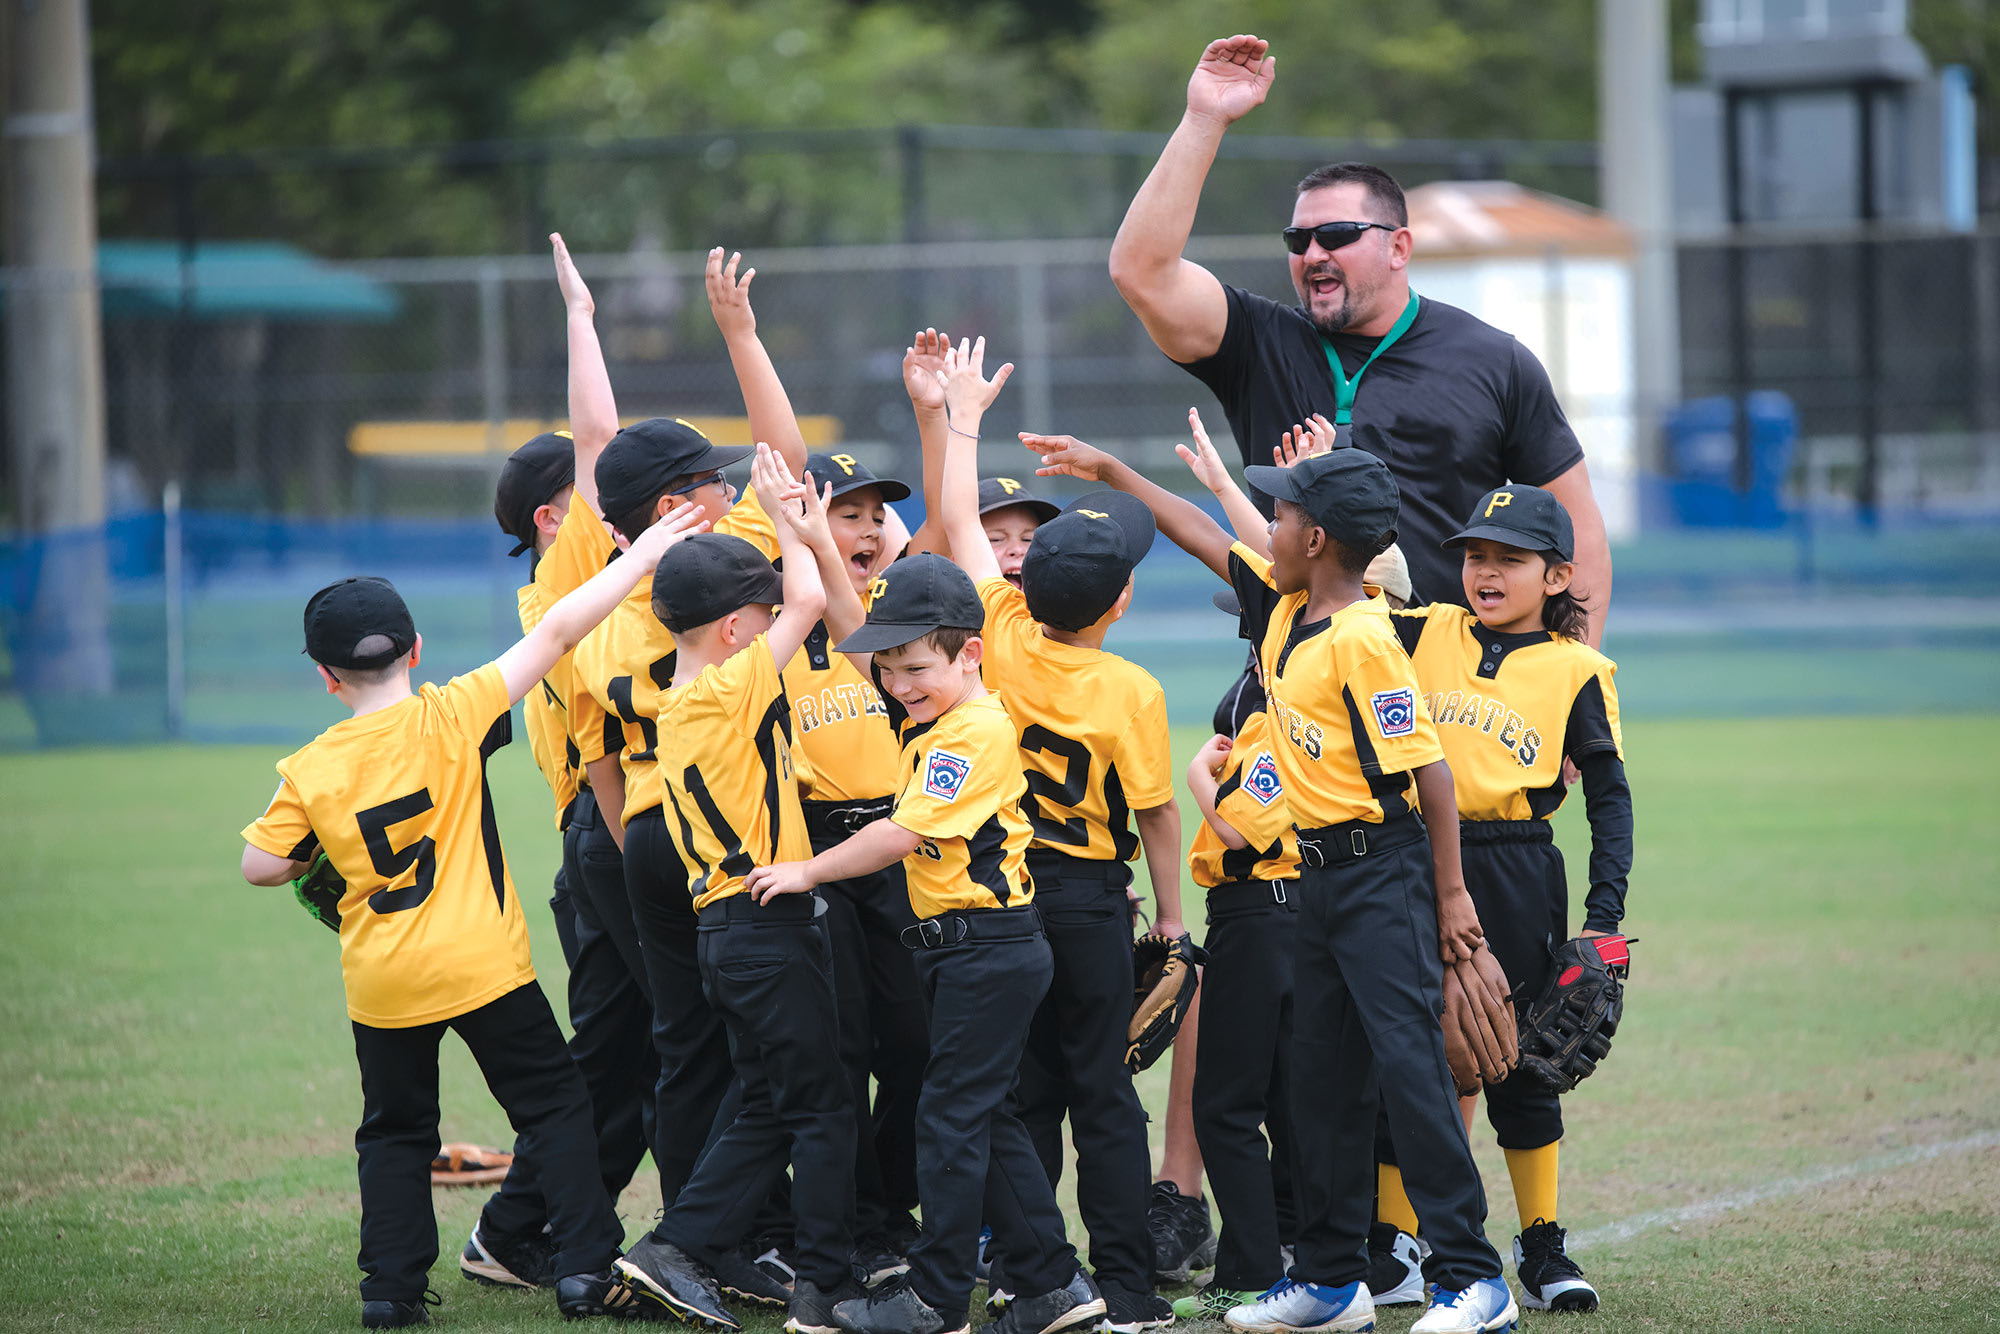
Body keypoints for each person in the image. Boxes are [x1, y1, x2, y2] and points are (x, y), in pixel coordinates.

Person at [1021, 430, 1518, 1334]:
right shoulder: (1287, 609)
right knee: (1321, 1081)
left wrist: (1451, 899)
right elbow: (1194, 530)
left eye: (1282, 512)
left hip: (1382, 873)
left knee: (1409, 1071)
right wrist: (1113, 472)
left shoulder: (1364, 637)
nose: (1267, 525)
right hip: (1318, 885)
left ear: (1318, 539)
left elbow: (1430, 773)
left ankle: (1473, 1284)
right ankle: (1331, 1282)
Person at [236, 503, 705, 1329]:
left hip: (382, 981)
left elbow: (261, 866)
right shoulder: (454, 713)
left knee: (395, 1132)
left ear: (325, 676)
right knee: (555, 1108)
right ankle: (586, 1273)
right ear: (415, 651)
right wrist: (641, 559)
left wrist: (319, 857)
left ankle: (389, 1291)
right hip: (483, 963)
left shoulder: (307, 767)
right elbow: (557, 634)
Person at [1108, 34, 1610, 640]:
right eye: (1299, 241)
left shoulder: (1492, 359)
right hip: (1299, 686)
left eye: (1338, 234)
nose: (1314, 253)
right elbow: (1141, 272)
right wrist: (1203, 118)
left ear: (1399, 246)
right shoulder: (1258, 343)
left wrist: (1568, 681)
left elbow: (1575, 529)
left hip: (1448, 692)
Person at [744, 553, 1103, 1334]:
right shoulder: (933, 721)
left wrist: (807, 870)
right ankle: (1052, 1286)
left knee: (948, 1119)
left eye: (915, 668)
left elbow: (901, 833)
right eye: (888, 670)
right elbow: (852, 635)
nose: (899, 684)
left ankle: (936, 1300)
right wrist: (808, 536)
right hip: (965, 948)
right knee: (987, 1116)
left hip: (986, 949)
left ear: (968, 653)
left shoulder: (967, 732)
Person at [566, 251, 809, 1306]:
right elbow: (786, 457)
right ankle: (718, 1237)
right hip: (721, 844)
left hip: (639, 839)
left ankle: (709, 1234)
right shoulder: (710, 578)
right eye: (710, 482)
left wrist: (630, 855)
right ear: (678, 502)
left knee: (683, 1045)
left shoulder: (594, 611)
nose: (729, 487)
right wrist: (742, 336)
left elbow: (600, 763)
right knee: (750, 1046)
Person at [928, 339, 1179, 1334]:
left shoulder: (994, 628)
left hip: (1004, 892)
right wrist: (1165, 911)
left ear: (1024, 583)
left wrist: (961, 416)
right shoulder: (1130, 688)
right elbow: (1157, 811)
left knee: (1021, 1088)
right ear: (1118, 601)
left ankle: (1033, 1273)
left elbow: (954, 516)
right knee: (1103, 1093)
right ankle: (1125, 1287)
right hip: (1083, 895)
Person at [614, 446, 862, 1334]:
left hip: (727, 932)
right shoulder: (728, 688)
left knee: (767, 1100)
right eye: (754, 618)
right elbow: (806, 603)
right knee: (824, 1106)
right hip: (768, 923)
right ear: (728, 630)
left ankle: (673, 1247)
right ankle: (824, 1290)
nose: (772, 630)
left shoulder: (677, 701)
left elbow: (784, 608)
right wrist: (795, 524)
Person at [459, 236, 657, 1293]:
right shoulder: (579, 562)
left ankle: (515, 1231)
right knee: (675, 1037)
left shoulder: (576, 586)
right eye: (591, 493)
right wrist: (582, 315)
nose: (616, 494)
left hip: (594, 843)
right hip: (612, 828)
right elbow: (599, 436)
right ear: (555, 516)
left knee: (619, 1057)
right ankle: (703, 1236)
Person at [1382, 484, 1632, 1314]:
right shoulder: (1428, 629)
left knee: (1521, 1058)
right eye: (1475, 555)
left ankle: (1542, 1243)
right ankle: (1396, 1243)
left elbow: (1608, 794)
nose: (1485, 572)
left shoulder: (1577, 669)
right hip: (1418, 858)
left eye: (1509, 559)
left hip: (1519, 864)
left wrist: (1603, 919)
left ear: (1556, 576)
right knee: (1409, 1051)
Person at [786, 448, 931, 1282]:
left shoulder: (896, 606)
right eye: (852, 511)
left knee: (914, 1041)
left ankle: (896, 1200)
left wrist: (932, 419)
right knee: (838, 1047)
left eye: (881, 514)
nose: (870, 527)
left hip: (896, 841)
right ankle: (867, 1225)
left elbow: (935, 532)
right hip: (809, 846)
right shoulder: (767, 611)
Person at [1171, 615, 1303, 1323]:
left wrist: (1197, 776)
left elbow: (1238, 829)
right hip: (1301, 913)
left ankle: (1251, 1271)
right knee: (1289, 1099)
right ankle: (1306, 1260)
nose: (1254, 647)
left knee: (1224, 1107)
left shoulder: (1287, 710)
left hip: (1259, 914)